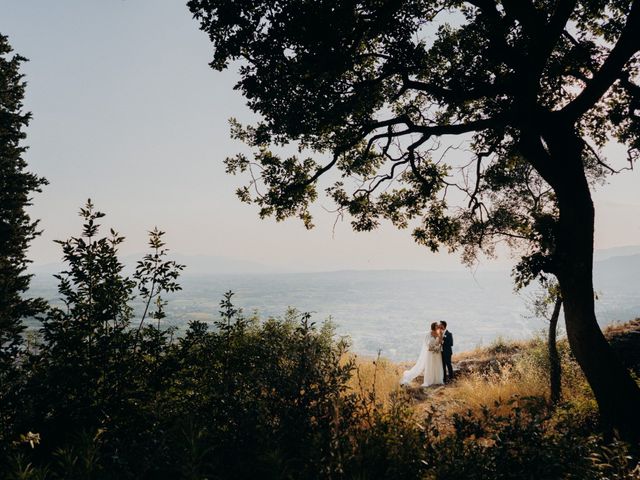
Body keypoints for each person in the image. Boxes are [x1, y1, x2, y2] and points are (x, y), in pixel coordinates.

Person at [400, 322, 444, 387]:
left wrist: (440, 338)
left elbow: (440, 342)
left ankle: (437, 380)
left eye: (438, 326)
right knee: (431, 366)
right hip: (430, 353)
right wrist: (433, 348)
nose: (438, 327)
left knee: (437, 365)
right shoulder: (428, 334)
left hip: (437, 353)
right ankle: (429, 380)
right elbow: (427, 345)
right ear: (433, 326)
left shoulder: (439, 333)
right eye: (437, 326)